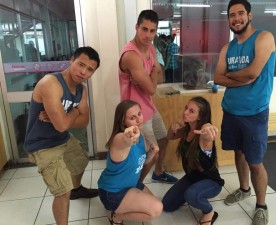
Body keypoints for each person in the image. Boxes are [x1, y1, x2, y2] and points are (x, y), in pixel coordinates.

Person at [214, 1, 276, 225]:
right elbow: (218, 78)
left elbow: (253, 73)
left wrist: (233, 77)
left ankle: (261, 205)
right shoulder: (227, 48)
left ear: (249, 15)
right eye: (232, 15)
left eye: (240, 13)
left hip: (254, 113)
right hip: (231, 110)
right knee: (238, 153)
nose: (236, 18)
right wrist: (242, 77)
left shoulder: (264, 38)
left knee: (255, 161)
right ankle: (243, 188)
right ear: (228, 19)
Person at [23, 46, 101, 225]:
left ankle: (77, 189)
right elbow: (62, 125)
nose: (83, 72)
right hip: (42, 144)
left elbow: (85, 121)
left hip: (63, 139)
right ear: (71, 60)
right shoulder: (50, 83)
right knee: (62, 192)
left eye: (90, 69)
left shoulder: (82, 90)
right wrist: (74, 113)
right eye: (80, 64)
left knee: (80, 160)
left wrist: (67, 115)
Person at [119, 9, 178, 184]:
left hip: (150, 108)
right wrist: (151, 77)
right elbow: (152, 88)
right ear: (136, 27)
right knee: (152, 152)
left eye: (152, 31)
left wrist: (149, 76)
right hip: (136, 113)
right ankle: (135, 185)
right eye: (144, 29)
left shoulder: (151, 48)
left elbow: (160, 77)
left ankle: (158, 172)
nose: (148, 35)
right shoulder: (131, 55)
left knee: (163, 140)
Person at [98, 100, 163, 225]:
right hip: (112, 192)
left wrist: (152, 153)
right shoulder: (118, 140)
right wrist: (127, 137)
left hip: (130, 185)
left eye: (139, 114)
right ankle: (116, 217)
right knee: (156, 209)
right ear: (123, 121)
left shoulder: (141, 135)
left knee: (152, 203)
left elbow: (142, 163)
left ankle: (120, 208)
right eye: (133, 118)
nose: (139, 120)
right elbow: (124, 140)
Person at [162, 97, 224, 225]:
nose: (185, 112)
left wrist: (208, 129)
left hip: (211, 181)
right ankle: (194, 192)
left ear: (200, 117)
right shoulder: (186, 130)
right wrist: (171, 128)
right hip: (192, 177)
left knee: (191, 195)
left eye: (191, 111)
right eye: (186, 108)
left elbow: (208, 135)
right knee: (167, 205)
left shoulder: (204, 136)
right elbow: (170, 136)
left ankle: (209, 212)